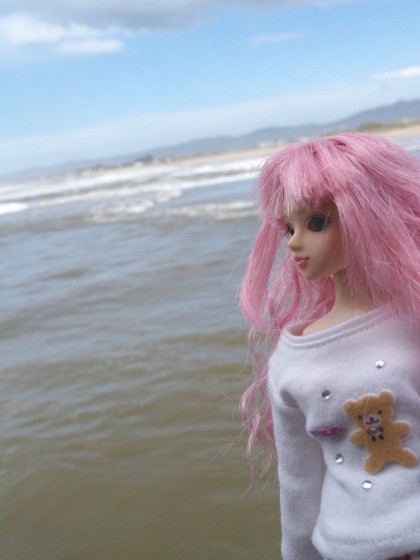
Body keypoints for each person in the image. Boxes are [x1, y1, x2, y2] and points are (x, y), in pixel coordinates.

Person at [240, 132, 420, 560]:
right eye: (288, 228)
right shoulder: (292, 359)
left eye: (317, 222)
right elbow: (298, 479)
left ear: (369, 215)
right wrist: (298, 553)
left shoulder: (411, 323)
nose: (293, 241)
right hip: (347, 544)